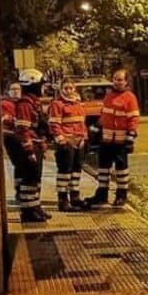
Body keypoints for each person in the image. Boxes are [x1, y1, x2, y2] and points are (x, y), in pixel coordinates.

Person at [84, 69, 139, 208]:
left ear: (126, 82)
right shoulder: (109, 96)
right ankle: (101, 194)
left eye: (120, 79)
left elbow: (133, 119)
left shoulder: (130, 98)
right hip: (106, 139)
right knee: (103, 168)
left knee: (121, 170)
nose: (116, 82)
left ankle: (121, 195)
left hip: (121, 140)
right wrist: (96, 130)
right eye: (115, 79)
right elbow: (104, 116)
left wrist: (130, 138)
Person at [15, 69, 50, 222]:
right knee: (29, 178)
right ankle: (28, 211)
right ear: (33, 85)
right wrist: (29, 150)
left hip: (36, 145)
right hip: (29, 147)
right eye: (41, 85)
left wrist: (42, 141)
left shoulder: (34, 103)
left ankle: (35, 207)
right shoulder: (25, 104)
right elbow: (23, 130)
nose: (43, 88)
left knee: (35, 178)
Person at [48, 78, 87, 211]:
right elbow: (54, 124)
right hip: (66, 142)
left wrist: (84, 138)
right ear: (61, 89)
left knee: (76, 170)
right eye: (66, 88)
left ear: (74, 88)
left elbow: (82, 123)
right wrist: (61, 140)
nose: (69, 91)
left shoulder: (78, 104)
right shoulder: (57, 104)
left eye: (71, 88)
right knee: (65, 171)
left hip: (79, 142)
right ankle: (62, 199)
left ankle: (75, 197)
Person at [1, 82, 23, 200]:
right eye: (13, 89)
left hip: (23, 136)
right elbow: (5, 119)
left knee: (22, 164)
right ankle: (19, 189)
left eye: (18, 89)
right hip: (10, 137)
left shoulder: (24, 103)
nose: (16, 91)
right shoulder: (5, 104)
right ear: (8, 91)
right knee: (19, 163)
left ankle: (21, 188)